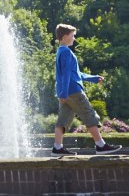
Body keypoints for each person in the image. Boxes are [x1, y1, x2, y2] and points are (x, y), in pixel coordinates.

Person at [52, 24, 122, 156]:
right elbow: (66, 74)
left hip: (65, 92)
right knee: (89, 115)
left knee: (63, 120)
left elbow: (75, 74)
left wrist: (93, 78)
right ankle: (100, 145)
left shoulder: (60, 51)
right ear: (65, 36)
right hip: (73, 91)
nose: (74, 39)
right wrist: (65, 93)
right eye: (73, 36)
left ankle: (57, 148)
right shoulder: (66, 52)